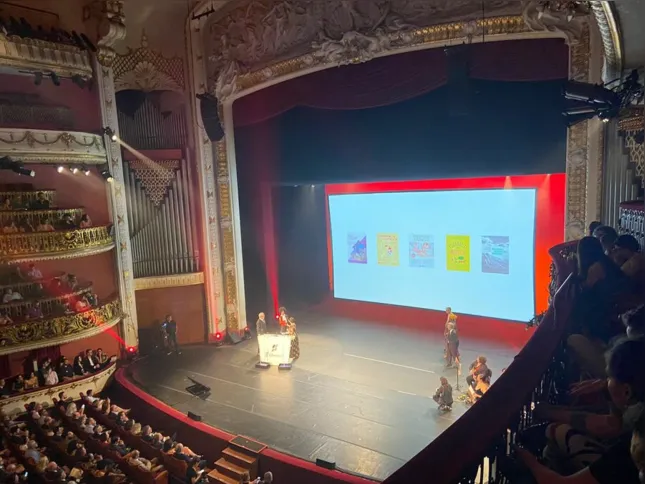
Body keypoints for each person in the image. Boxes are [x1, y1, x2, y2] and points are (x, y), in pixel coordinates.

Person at [515, 337, 645, 484]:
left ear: (627, 391)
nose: (605, 382)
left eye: (609, 377)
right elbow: (614, 425)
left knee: (556, 432)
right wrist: (609, 393)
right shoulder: (638, 416)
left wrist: (528, 461)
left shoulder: (633, 443)